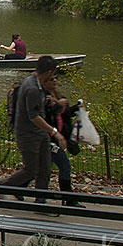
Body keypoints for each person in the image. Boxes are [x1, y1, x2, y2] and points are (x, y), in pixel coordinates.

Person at [0, 55, 67, 197]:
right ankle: (2, 186)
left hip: (40, 133)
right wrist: (55, 132)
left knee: (45, 169)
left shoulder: (36, 83)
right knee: (31, 169)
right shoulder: (32, 88)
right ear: (49, 72)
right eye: (53, 73)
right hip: (28, 134)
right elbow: (33, 116)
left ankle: (41, 201)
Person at [42, 74, 81, 206]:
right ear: (45, 82)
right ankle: (68, 198)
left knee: (40, 168)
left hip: (59, 137)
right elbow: (43, 116)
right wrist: (57, 105)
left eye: (55, 78)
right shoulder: (44, 97)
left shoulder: (58, 95)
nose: (55, 80)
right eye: (51, 78)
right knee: (64, 166)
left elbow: (64, 114)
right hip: (49, 138)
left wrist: (76, 108)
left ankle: (19, 186)